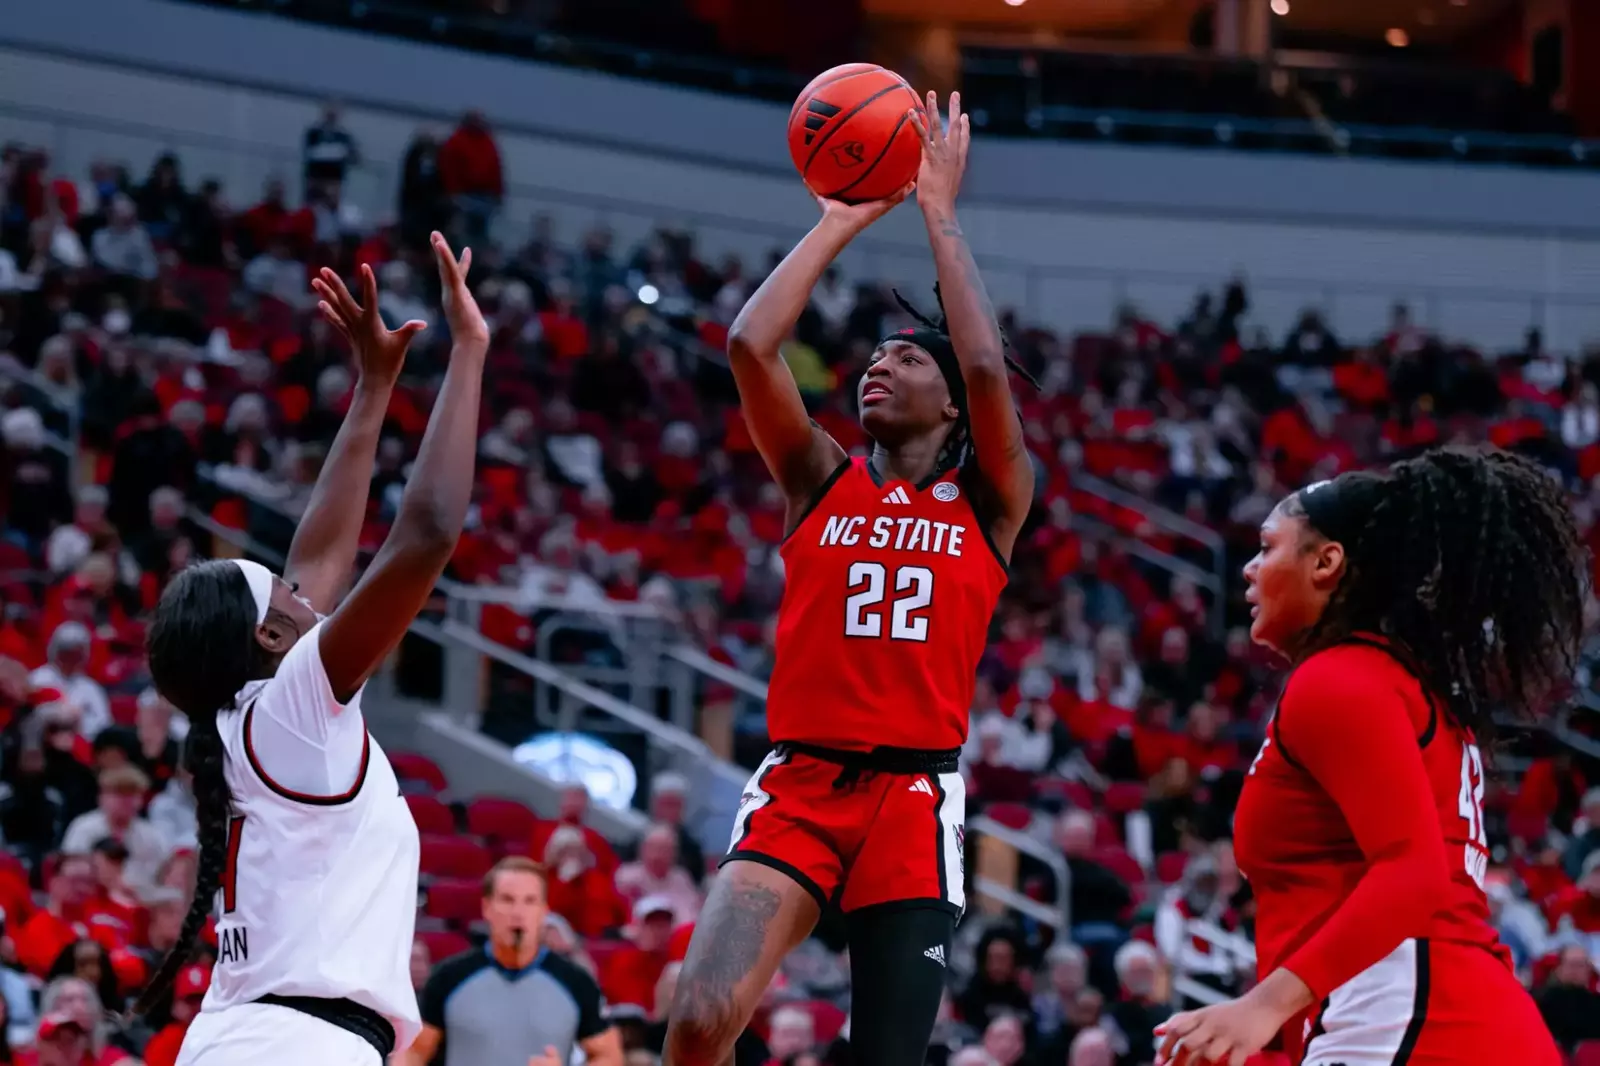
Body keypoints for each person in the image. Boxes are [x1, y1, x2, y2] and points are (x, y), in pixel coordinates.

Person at [665, 92, 1035, 1066]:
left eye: (907, 356)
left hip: (913, 801)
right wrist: (839, 217)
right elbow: (750, 344)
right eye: (873, 354)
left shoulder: (990, 501)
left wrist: (937, 212)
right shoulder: (819, 479)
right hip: (800, 783)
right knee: (701, 1011)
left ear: (952, 411)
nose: (878, 363)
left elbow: (990, 366)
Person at [134, 232, 489, 1066]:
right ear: (269, 635)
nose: (304, 590)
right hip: (292, 1047)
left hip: (255, 1038)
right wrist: (469, 351)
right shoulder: (289, 711)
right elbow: (428, 534)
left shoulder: (253, 718)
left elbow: (316, 563)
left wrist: (373, 388)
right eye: (286, 593)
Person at [1156, 447, 1583, 1065]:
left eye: (1268, 547)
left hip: (1410, 1015)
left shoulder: (1340, 679)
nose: (1249, 570)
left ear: (1327, 562)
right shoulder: (1400, 681)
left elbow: (1413, 873)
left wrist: (1262, 1006)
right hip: (1456, 1011)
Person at [403, 858, 622, 1066]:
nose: (518, 913)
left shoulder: (576, 982)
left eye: (529, 901)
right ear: (487, 907)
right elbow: (413, 1052)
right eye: (507, 900)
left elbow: (610, 1057)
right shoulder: (449, 977)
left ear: (543, 911)